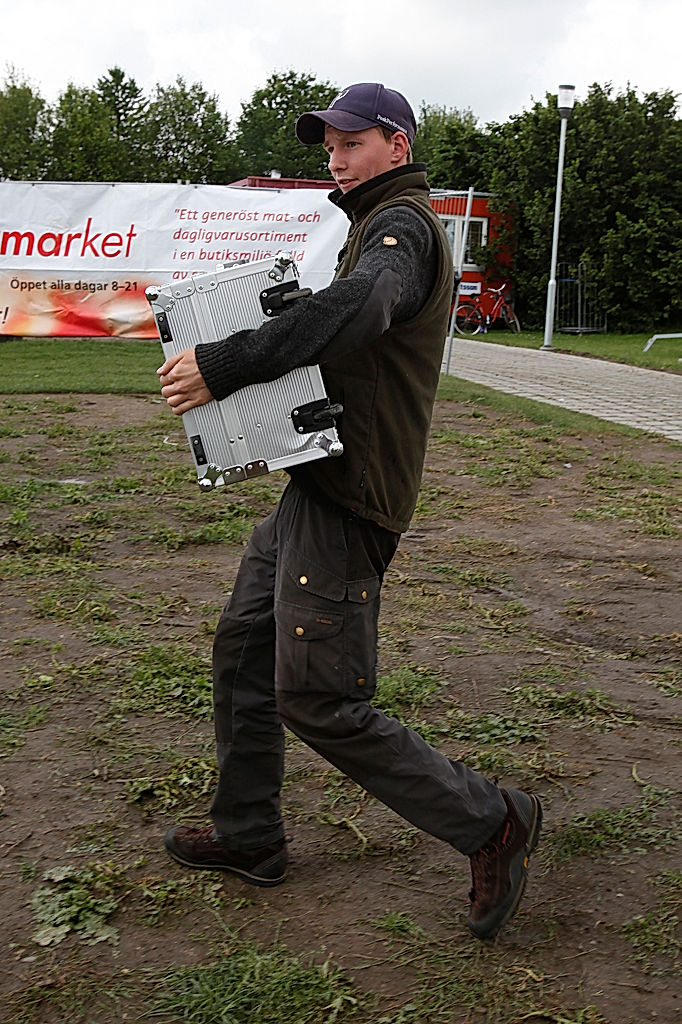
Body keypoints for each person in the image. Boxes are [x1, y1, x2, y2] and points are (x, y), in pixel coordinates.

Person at [157, 82, 541, 941]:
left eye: (352, 140)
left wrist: (227, 364)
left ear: (396, 148)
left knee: (322, 699)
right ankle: (248, 833)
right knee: (243, 651)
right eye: (327, 142)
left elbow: (368, 303)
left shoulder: (401, 228)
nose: (333, 154)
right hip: (316, 483)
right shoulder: (372, 223)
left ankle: (493, 822)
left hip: (352, 499)